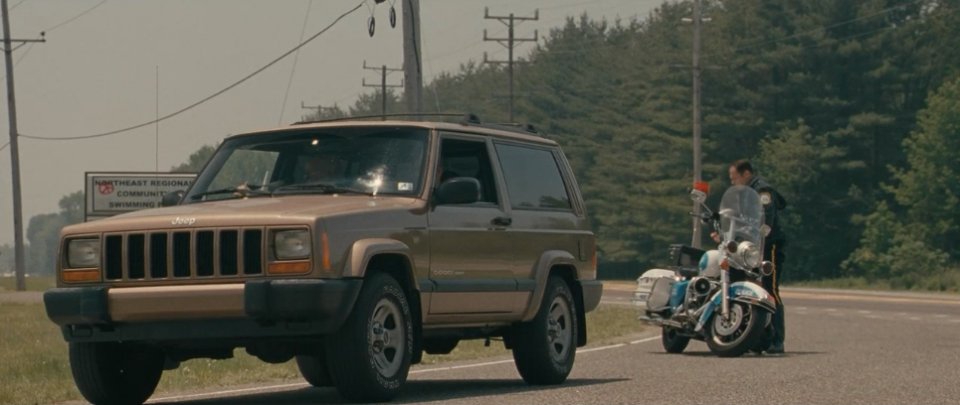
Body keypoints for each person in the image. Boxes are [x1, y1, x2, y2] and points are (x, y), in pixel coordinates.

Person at [716, 159, 788, 354]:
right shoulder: (744, 194)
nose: (733, 182)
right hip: (749, 248)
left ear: (746, 174)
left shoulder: (763, 191)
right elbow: (740, 220)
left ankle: (777, 340)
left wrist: (758, 234)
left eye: (735, 178)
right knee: (747, 288)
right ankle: (754, 337)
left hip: (768, 246)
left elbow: (766, 221)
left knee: (769, 288)